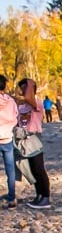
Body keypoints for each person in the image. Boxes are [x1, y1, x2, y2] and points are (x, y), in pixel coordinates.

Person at [16, 78, 51, 209]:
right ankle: (39, 195)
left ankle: (46, 197)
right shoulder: (22, 106)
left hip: (34, 138)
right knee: (31, 170)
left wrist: (30, 84)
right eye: (22, 88)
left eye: (26, 87)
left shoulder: (37, 103)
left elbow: (29, 98)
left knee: (39, 168)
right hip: (24, 140)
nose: (23, 90)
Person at [0, 75, 18, 208]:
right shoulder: (11, 101)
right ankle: (12, 197)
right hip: (7, 138)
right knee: (10, 169)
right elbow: (16, 116)